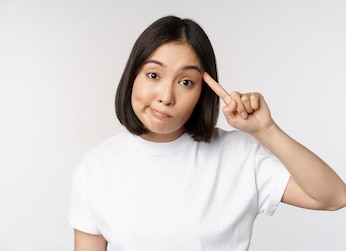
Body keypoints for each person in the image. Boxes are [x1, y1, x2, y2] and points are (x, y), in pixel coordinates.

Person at [68, 15, 346, 251]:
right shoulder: (96, 168)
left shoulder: (238, 155)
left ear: (202, 93)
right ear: (132, 76)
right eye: (153, 75)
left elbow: (334, 197)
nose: (166, 96)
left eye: (186, 81)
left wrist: (266, 130)